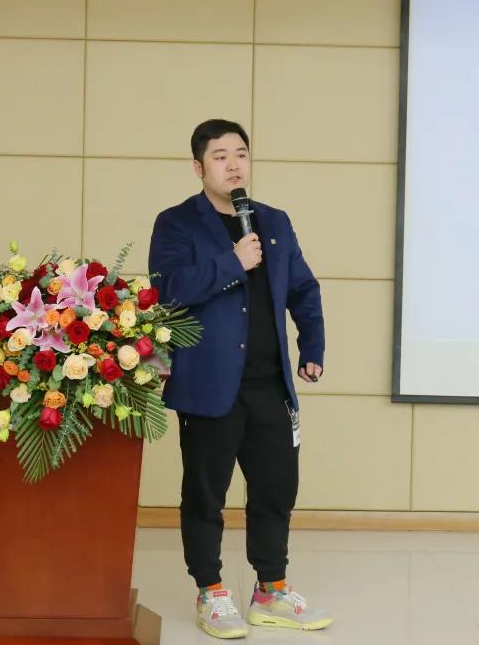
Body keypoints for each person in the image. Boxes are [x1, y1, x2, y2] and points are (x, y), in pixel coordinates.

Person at [149, 119, 332, 639]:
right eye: (220, 156)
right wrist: (232, 262)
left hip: (270, 384)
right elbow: (167, 291)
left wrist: (312, 347)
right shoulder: (176, 223)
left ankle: (271, 589)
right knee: (205, 494)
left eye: (241, 154)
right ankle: (210, 590)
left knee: (276, 490)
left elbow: (303, 288)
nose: (233, 165)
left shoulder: (273, 221)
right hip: (209, 385)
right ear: (198, 167)